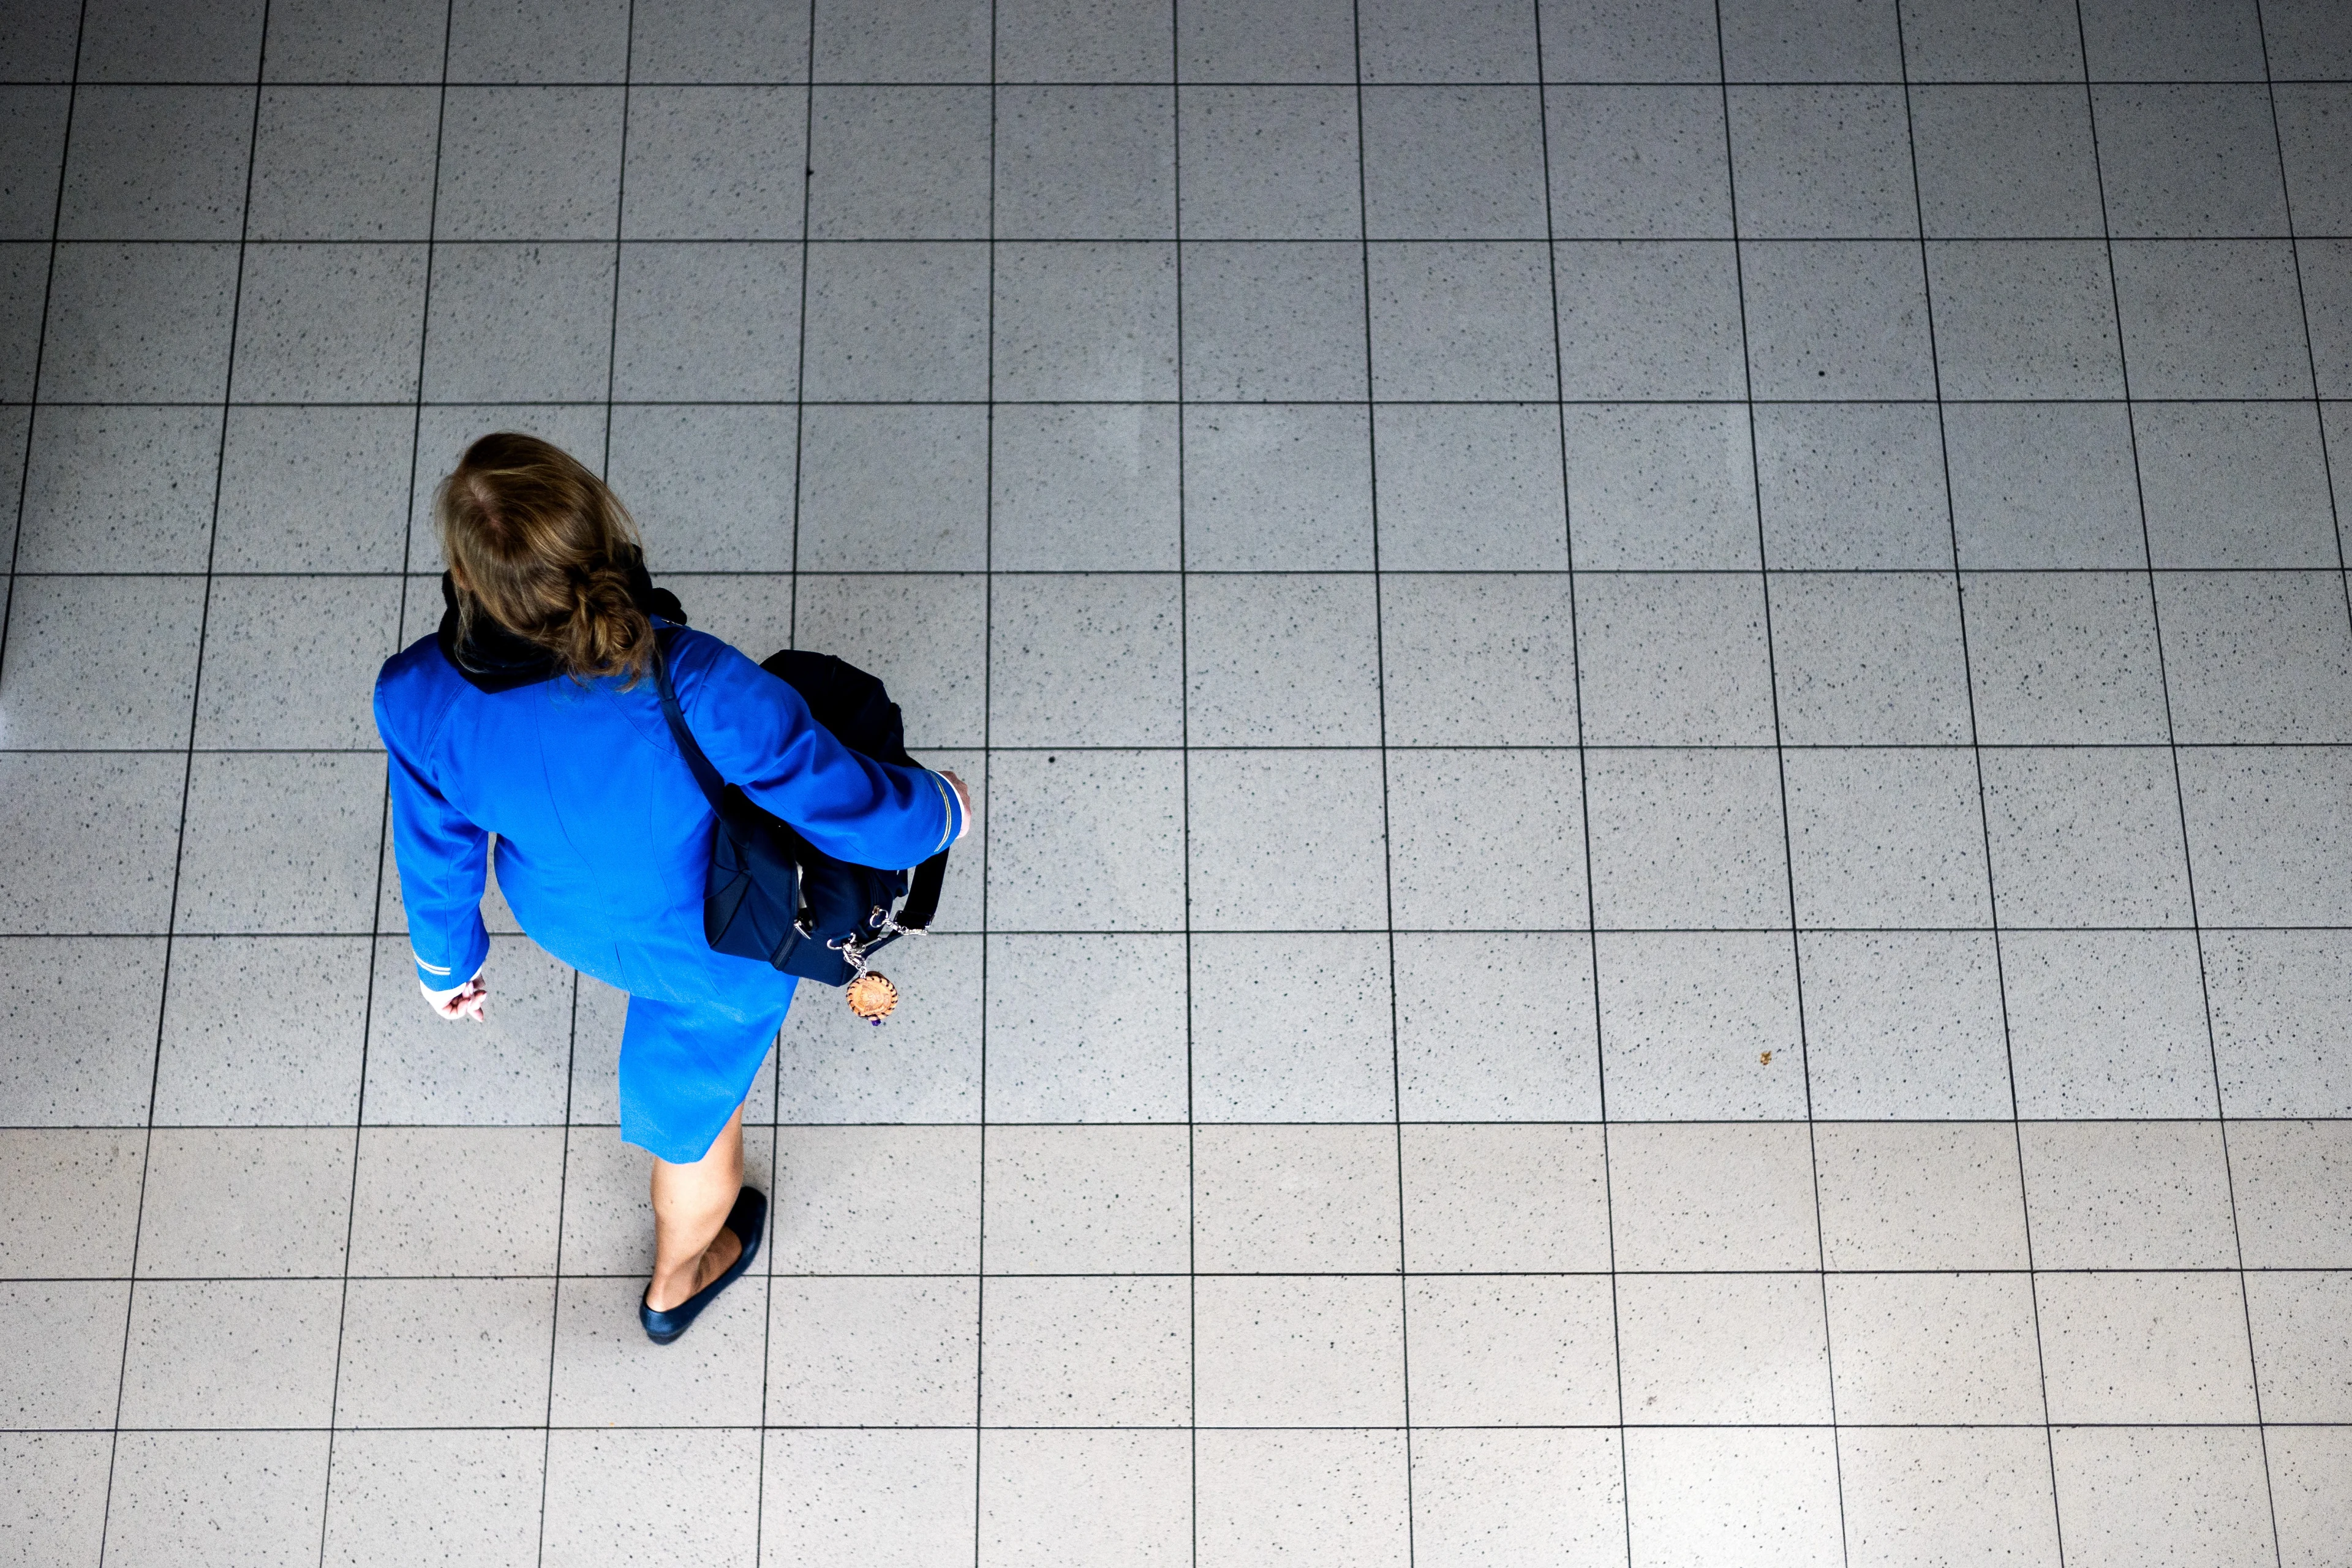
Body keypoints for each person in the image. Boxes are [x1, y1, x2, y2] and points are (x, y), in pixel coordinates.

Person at [373, 432, 970, 1343]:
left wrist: (445, 965)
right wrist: (940, 813)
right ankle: (675, 1278)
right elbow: (837, 799)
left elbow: (435, 846)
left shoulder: (415, 694)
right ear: (598, 532)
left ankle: (682, 1231)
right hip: (712, 940)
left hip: (566, 917)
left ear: (466, 578)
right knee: (696, 1115)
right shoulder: (692, 679)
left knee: (678, 1067)